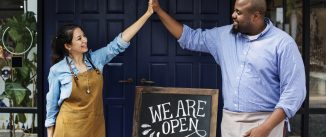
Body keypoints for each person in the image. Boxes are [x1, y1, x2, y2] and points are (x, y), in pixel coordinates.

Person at [151, 0, 306, 136]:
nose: (233, 15)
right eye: (234, 10)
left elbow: (294, 93)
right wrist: (158, 10)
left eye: (238, 12)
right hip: (230, 122)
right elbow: (189, 38)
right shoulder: (224, 36)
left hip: (266, 123)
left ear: (256, 16)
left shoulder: (283, 43)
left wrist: (265, 128)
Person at [45, 1, 154, 137]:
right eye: (79, 38)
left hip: (94, 127)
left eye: (84, 36)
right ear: (68, 46)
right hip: (68, 129)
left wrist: (148, 14)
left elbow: (119, 43)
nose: (84, 40)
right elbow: (51, 106)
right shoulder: (57, 70)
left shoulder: (96, 59)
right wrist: (50, 134)